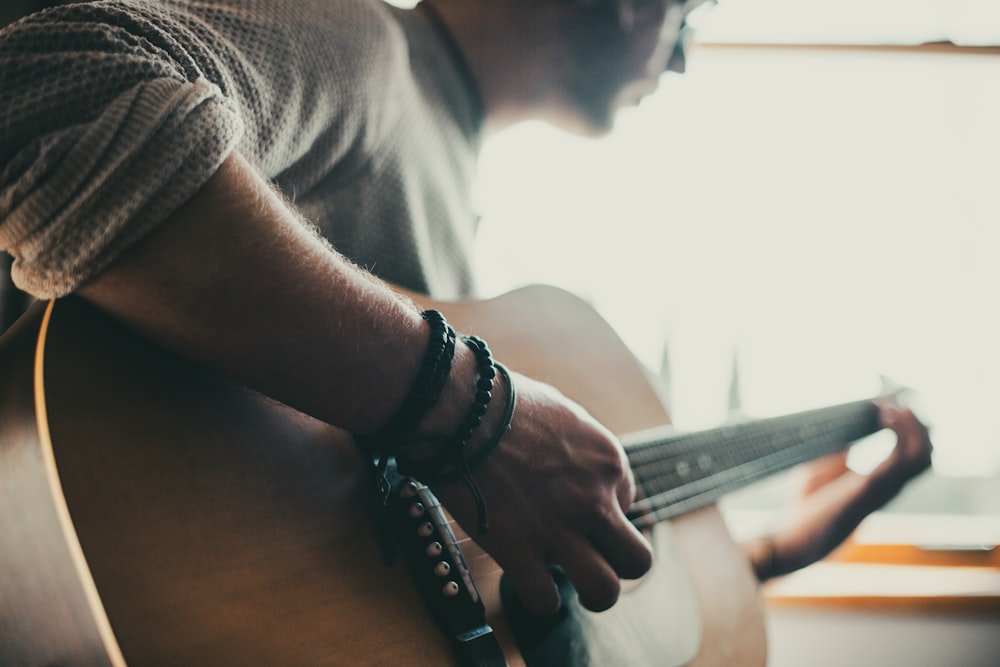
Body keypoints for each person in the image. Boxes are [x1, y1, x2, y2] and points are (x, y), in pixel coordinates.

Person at [0, 0, 931, 623]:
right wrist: (481, 413)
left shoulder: (456, 198)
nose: (681, 60)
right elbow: (41, 101)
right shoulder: (369, 49)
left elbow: (397, 570)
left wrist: (766, 552)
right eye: (687, 15)